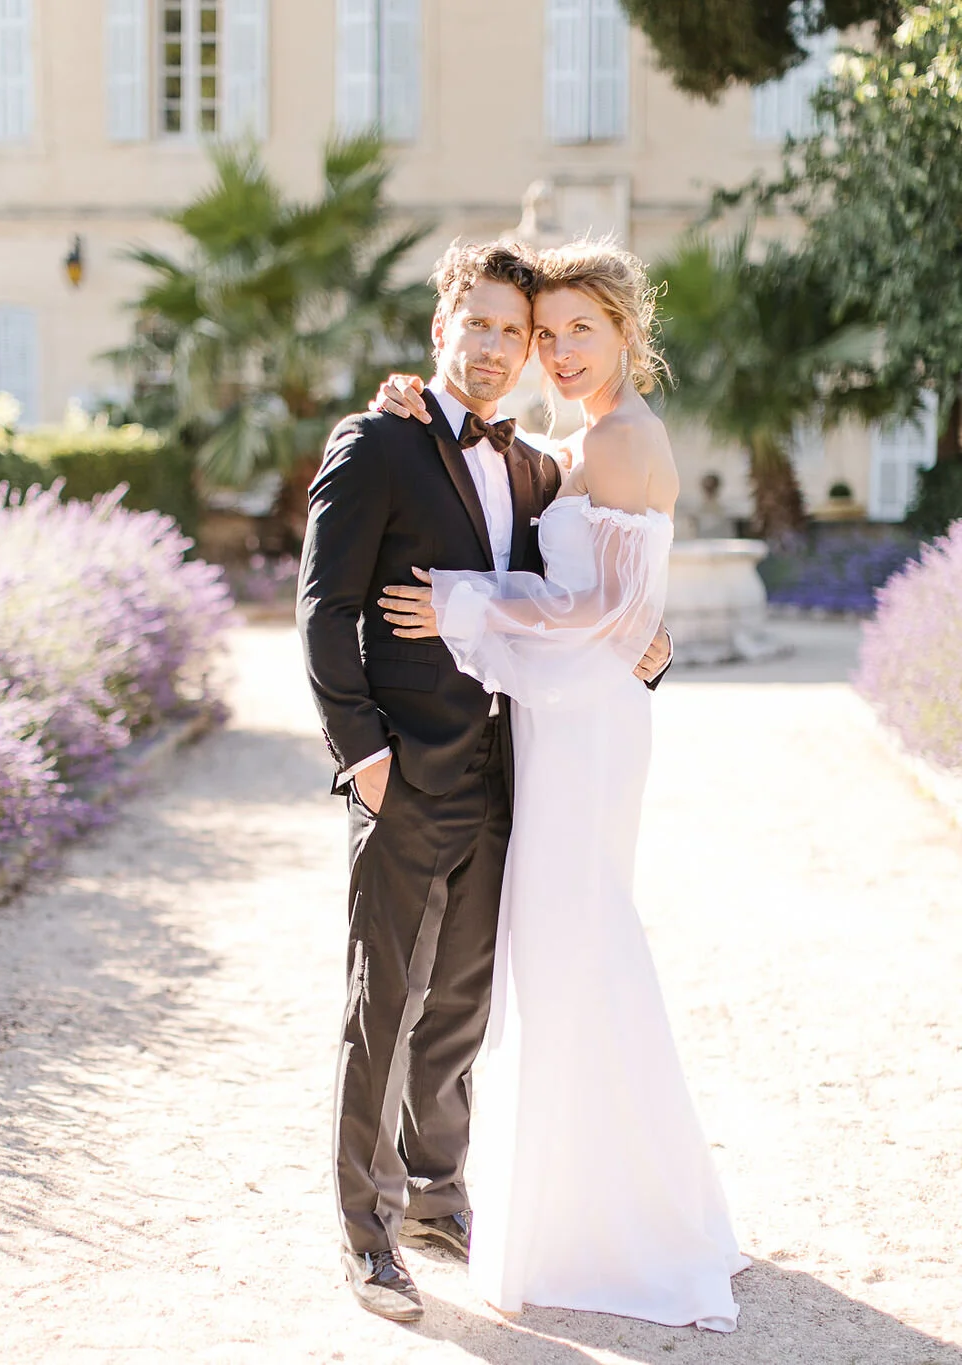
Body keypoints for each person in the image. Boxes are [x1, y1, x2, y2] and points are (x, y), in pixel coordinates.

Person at [375, 239, 751, 1330]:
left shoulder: (630, 440)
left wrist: (458, 603)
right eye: (546, 336)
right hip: (555, 722)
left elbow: (617, 618)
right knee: (559, 954)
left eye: (581, 329)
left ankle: (617, 1227)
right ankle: (589, 1206)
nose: (558, 351)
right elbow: (491, 459)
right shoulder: (575, 443)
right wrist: (415, 389)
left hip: (589, 731)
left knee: (582, 943)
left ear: (629, 331)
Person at [295, 241, 671, 1325]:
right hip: (402, 773)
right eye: (486, 326)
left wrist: (646, 642)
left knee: (458, 1003)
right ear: (443, 330)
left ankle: (433, 1194)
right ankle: (365, 1237)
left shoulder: (534, 465)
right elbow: (322, 609)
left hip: (504, 776)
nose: (505, 348)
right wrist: (359, 755)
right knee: (384, 1000)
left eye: (521, 331)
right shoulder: (376, 440)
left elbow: (589, 585)